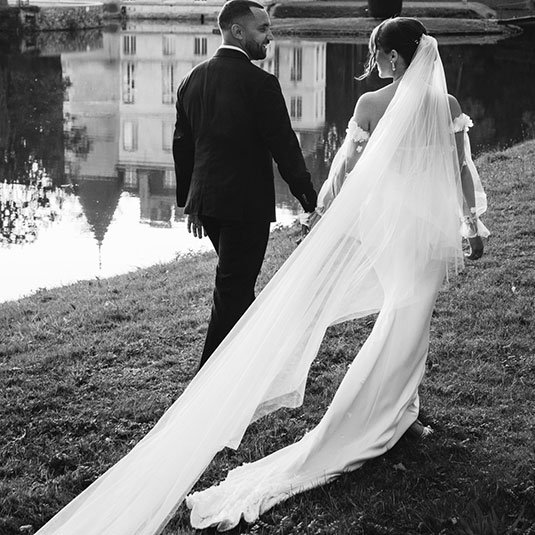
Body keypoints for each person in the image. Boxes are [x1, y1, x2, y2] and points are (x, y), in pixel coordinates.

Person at [33, 17, 489, 535]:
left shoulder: (368, 105)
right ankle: (376, 413)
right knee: (405, 320)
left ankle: (401, 407)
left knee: (405, 319)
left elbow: (345, 169)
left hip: (388, 230)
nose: (372, 64)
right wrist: (471, 225)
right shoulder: (446, 105)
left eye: (376, 55)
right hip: (426, 232)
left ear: (394, 58)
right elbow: (461, 170)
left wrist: (322, 209)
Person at [173, 0, 317, 370]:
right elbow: (284, 146)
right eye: (263, 29)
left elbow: (183, 147)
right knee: (232, 290)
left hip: (209, 205)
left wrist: (191, 201)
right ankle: (207, 382)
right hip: (245, 207)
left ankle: (257, 363)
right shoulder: (261, 84)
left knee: (236, 286)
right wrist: (308, 198)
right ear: (237, 31)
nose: (270, 37)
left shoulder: (190, 80)